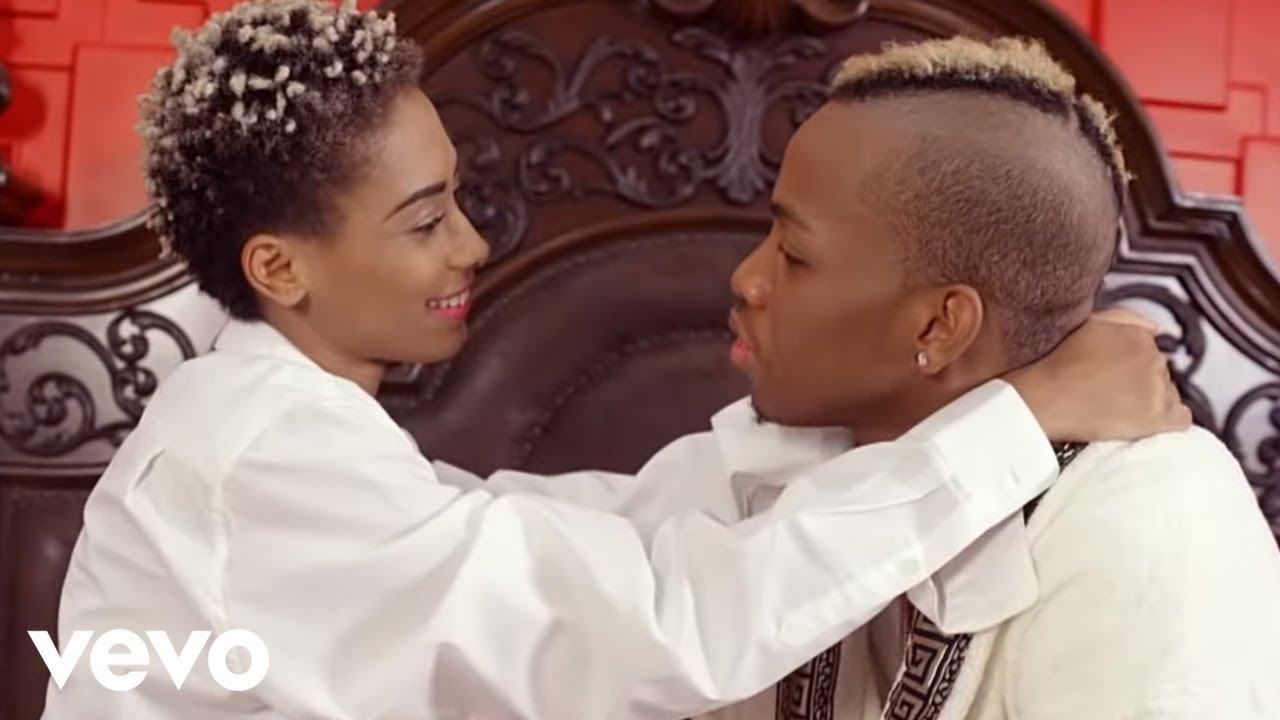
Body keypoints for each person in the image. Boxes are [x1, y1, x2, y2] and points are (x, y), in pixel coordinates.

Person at [43, 4, 1187, 719]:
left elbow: (557, 535)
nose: (471, 244)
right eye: (424, 219)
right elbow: (644, 629)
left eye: (456, 201)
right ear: (279, 268)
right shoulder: (258, 455)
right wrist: (1010, 425)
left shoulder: (275, 423)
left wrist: (831, 445)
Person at [695, 36, 1280, 720]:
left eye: (794, 254)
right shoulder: (774, 472)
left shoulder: (1155, 525)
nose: (746, 278)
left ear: (939, 327)